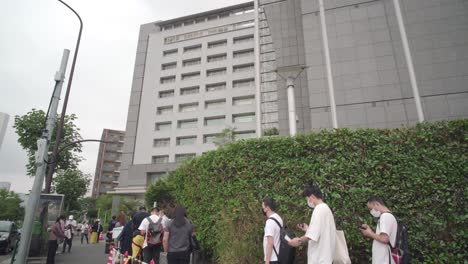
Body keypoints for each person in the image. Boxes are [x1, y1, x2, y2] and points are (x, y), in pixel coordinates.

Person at [288, 185, 336, 264]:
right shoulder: (326, 208)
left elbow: (311, 236)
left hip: (319, 259)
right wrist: (308, 229)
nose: (308, 201)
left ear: (312, 196)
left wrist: (298, 240)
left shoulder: (318, 209)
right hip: (327, 258)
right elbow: (321, 231)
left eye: (307, 199)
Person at [360, 195, 398, 264]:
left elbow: (384, 239)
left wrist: (369, 233)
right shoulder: (389, 216)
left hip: (384, 260)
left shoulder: (385, 217)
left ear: (377, 204)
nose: (371, 211)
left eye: (371, 209)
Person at [262, 198, 283, 264]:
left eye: (263, 207)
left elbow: (270, 243)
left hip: (272, 259)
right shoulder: (278, 218)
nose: (262, 209)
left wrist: (267, 261)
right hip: (278, 256)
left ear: (267, 208)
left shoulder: (270, 222)